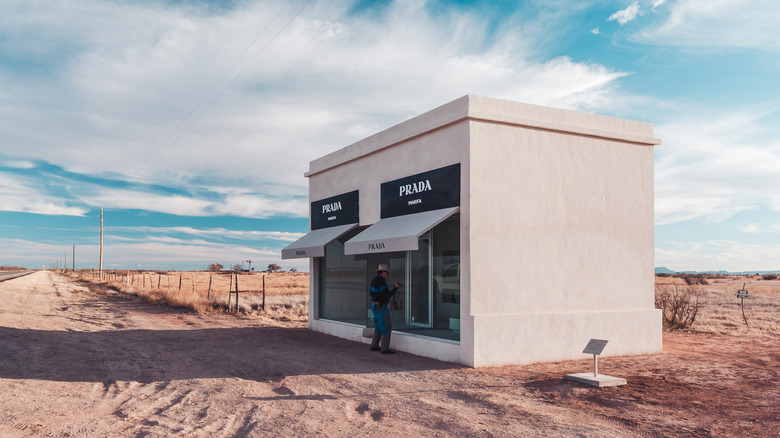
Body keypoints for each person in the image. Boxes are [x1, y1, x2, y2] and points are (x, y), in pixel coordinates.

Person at [369, 264, 401, 354]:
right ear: (383, 272)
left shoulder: (373, 280)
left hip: (374, 305)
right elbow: (386, 295)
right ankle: (385, 348)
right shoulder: (382, 283)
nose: (387, 274)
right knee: (386, 327)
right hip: (381, 307)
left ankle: (374, 345)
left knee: (378, 326)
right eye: (387, 272)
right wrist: (395, 288)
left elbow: (371, 293)